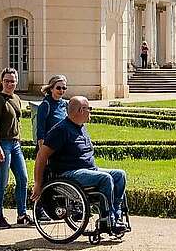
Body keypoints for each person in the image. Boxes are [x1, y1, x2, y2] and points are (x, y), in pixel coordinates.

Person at [33, 96, 129, 234]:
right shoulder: (60, 130)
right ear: (81, 110)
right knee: (105, 178)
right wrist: (38, 183)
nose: (90, 111)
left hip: (89, 170)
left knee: (120, 175)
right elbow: (41, 156)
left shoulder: (81, 127)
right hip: (70, 173)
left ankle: (116, 215)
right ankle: (107, 218)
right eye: (89, 108)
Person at [0, 68, 29, 228]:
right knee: (2, 182)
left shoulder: (16, 98)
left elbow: (16, 122)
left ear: (16, 82)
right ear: (1, 82)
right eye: (7, 81)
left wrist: (18, 139)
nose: (10, 84)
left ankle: (22, 215)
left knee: (23, 179)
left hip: (15, 144)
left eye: (12, 81)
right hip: (1, 143)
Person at [34, 75, 69, 147]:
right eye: (58, 88)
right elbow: (40, 130)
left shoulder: (65, 104)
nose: (61, 90)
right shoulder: (45, 105)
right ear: (51, 89)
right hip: (48, 146)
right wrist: (42, 150)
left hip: (62, 145)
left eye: (64, 88)